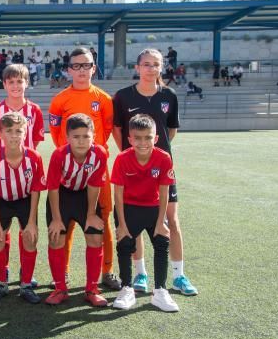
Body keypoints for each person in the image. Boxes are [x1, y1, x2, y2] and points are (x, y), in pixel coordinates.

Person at [112, 49, 198, 296]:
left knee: (172, 218)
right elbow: (118, 130)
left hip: (161, 169)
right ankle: (140, 273)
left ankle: (179, 275)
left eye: (156, 65)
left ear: (161, 68)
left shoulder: (169, 95)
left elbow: (171, 131)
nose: (151, 69)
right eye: (146, 64)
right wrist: (134, 153)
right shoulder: (123, 96)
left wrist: (155, 154)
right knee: (134, 218)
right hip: (133, 169)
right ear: (137, 67)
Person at [48, 47, 119, 290]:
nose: (81, 70)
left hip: (97, 170)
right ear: (69, 70)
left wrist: (91, 155)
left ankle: (107, 271)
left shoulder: (104, 99)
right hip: (68, 172)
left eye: (86, 65)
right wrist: (72, 158)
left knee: (102, 220)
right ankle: (63, 272)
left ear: (93, 68)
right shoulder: (60, 100)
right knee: (65, 223)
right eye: (76, 66)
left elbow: (106, 130)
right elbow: (57, 134)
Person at [111, 114, 179, 312]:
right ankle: (126, 289)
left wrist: (161, 221)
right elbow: (118, 194)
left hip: (153, 207)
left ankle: (159, 291)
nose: (143, 142)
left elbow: (165, 191)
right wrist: (122, 225)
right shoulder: (122, 159)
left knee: (161, 242)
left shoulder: (163, 158)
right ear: (130, 139)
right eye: (137, 138)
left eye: (148, 137)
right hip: (128, 208)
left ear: (155, 138)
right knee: (124, 244)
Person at [0, 64, 45, 287]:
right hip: (3, 179)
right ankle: (4, 273)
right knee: (1, 231)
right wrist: (1, 159)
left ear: (26, 83)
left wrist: (24, 162)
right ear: (4, 84)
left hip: (27, 177)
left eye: (20, 81)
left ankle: (25, 276)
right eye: (11, 82)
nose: (16, 85)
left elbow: (36, 141)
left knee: (28, 231)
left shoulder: (35, 110)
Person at [45, 113, 109, 307]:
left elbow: (95, 185)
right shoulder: (59, 155)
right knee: (56, 237)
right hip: (61, 196)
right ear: (67, 137)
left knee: (95, 235)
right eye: (76, 136)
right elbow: (53, 188)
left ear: (94, 136)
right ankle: (60, 288)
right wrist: (56, 218)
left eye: (86, 136)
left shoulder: (99, 154)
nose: (81, 141)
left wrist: (91, 214)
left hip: (84, 196)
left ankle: (91, 289)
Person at [0, 111, 45, 303]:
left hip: (25, 201)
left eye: (19, 131)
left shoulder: (34, 157)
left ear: (26, 133)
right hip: (2, 201)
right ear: (0, 134)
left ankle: (26, 285)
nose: (14, 135)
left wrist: (32, 222)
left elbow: (35, 191)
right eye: (9, 131)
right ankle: (1, 283)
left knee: (30, 238)